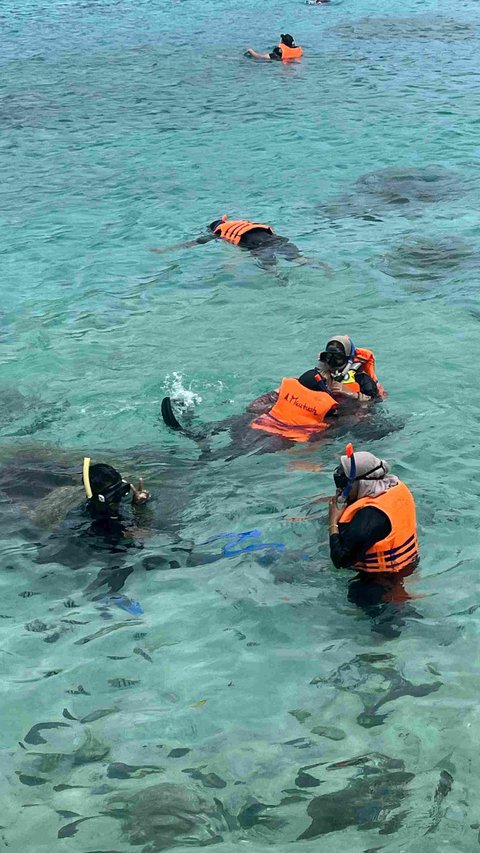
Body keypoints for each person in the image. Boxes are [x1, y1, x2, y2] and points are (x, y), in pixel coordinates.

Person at [328, 446, 419, 573]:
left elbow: (340, 559)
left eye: (345, 481)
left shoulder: (369, 515)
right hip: (409, 562)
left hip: (380, 579)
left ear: (362, 483)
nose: (340, 487)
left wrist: (332, 522)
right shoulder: (393, 488)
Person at [150, 215, 305, 268]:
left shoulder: (219, 233)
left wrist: (165, 250)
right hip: (278, 240)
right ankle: (324, 267)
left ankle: (280, 281)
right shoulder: (245, 224)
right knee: (301, 260)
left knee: (271, 270)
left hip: (260, 248)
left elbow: (192, 243)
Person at [318, 335, 385, 400]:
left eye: (338, 357)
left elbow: (374, 401)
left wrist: (352, 394)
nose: (332, 362)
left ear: (348, 358)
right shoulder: (318, 376)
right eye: (329, 357)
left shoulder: (362, 379)